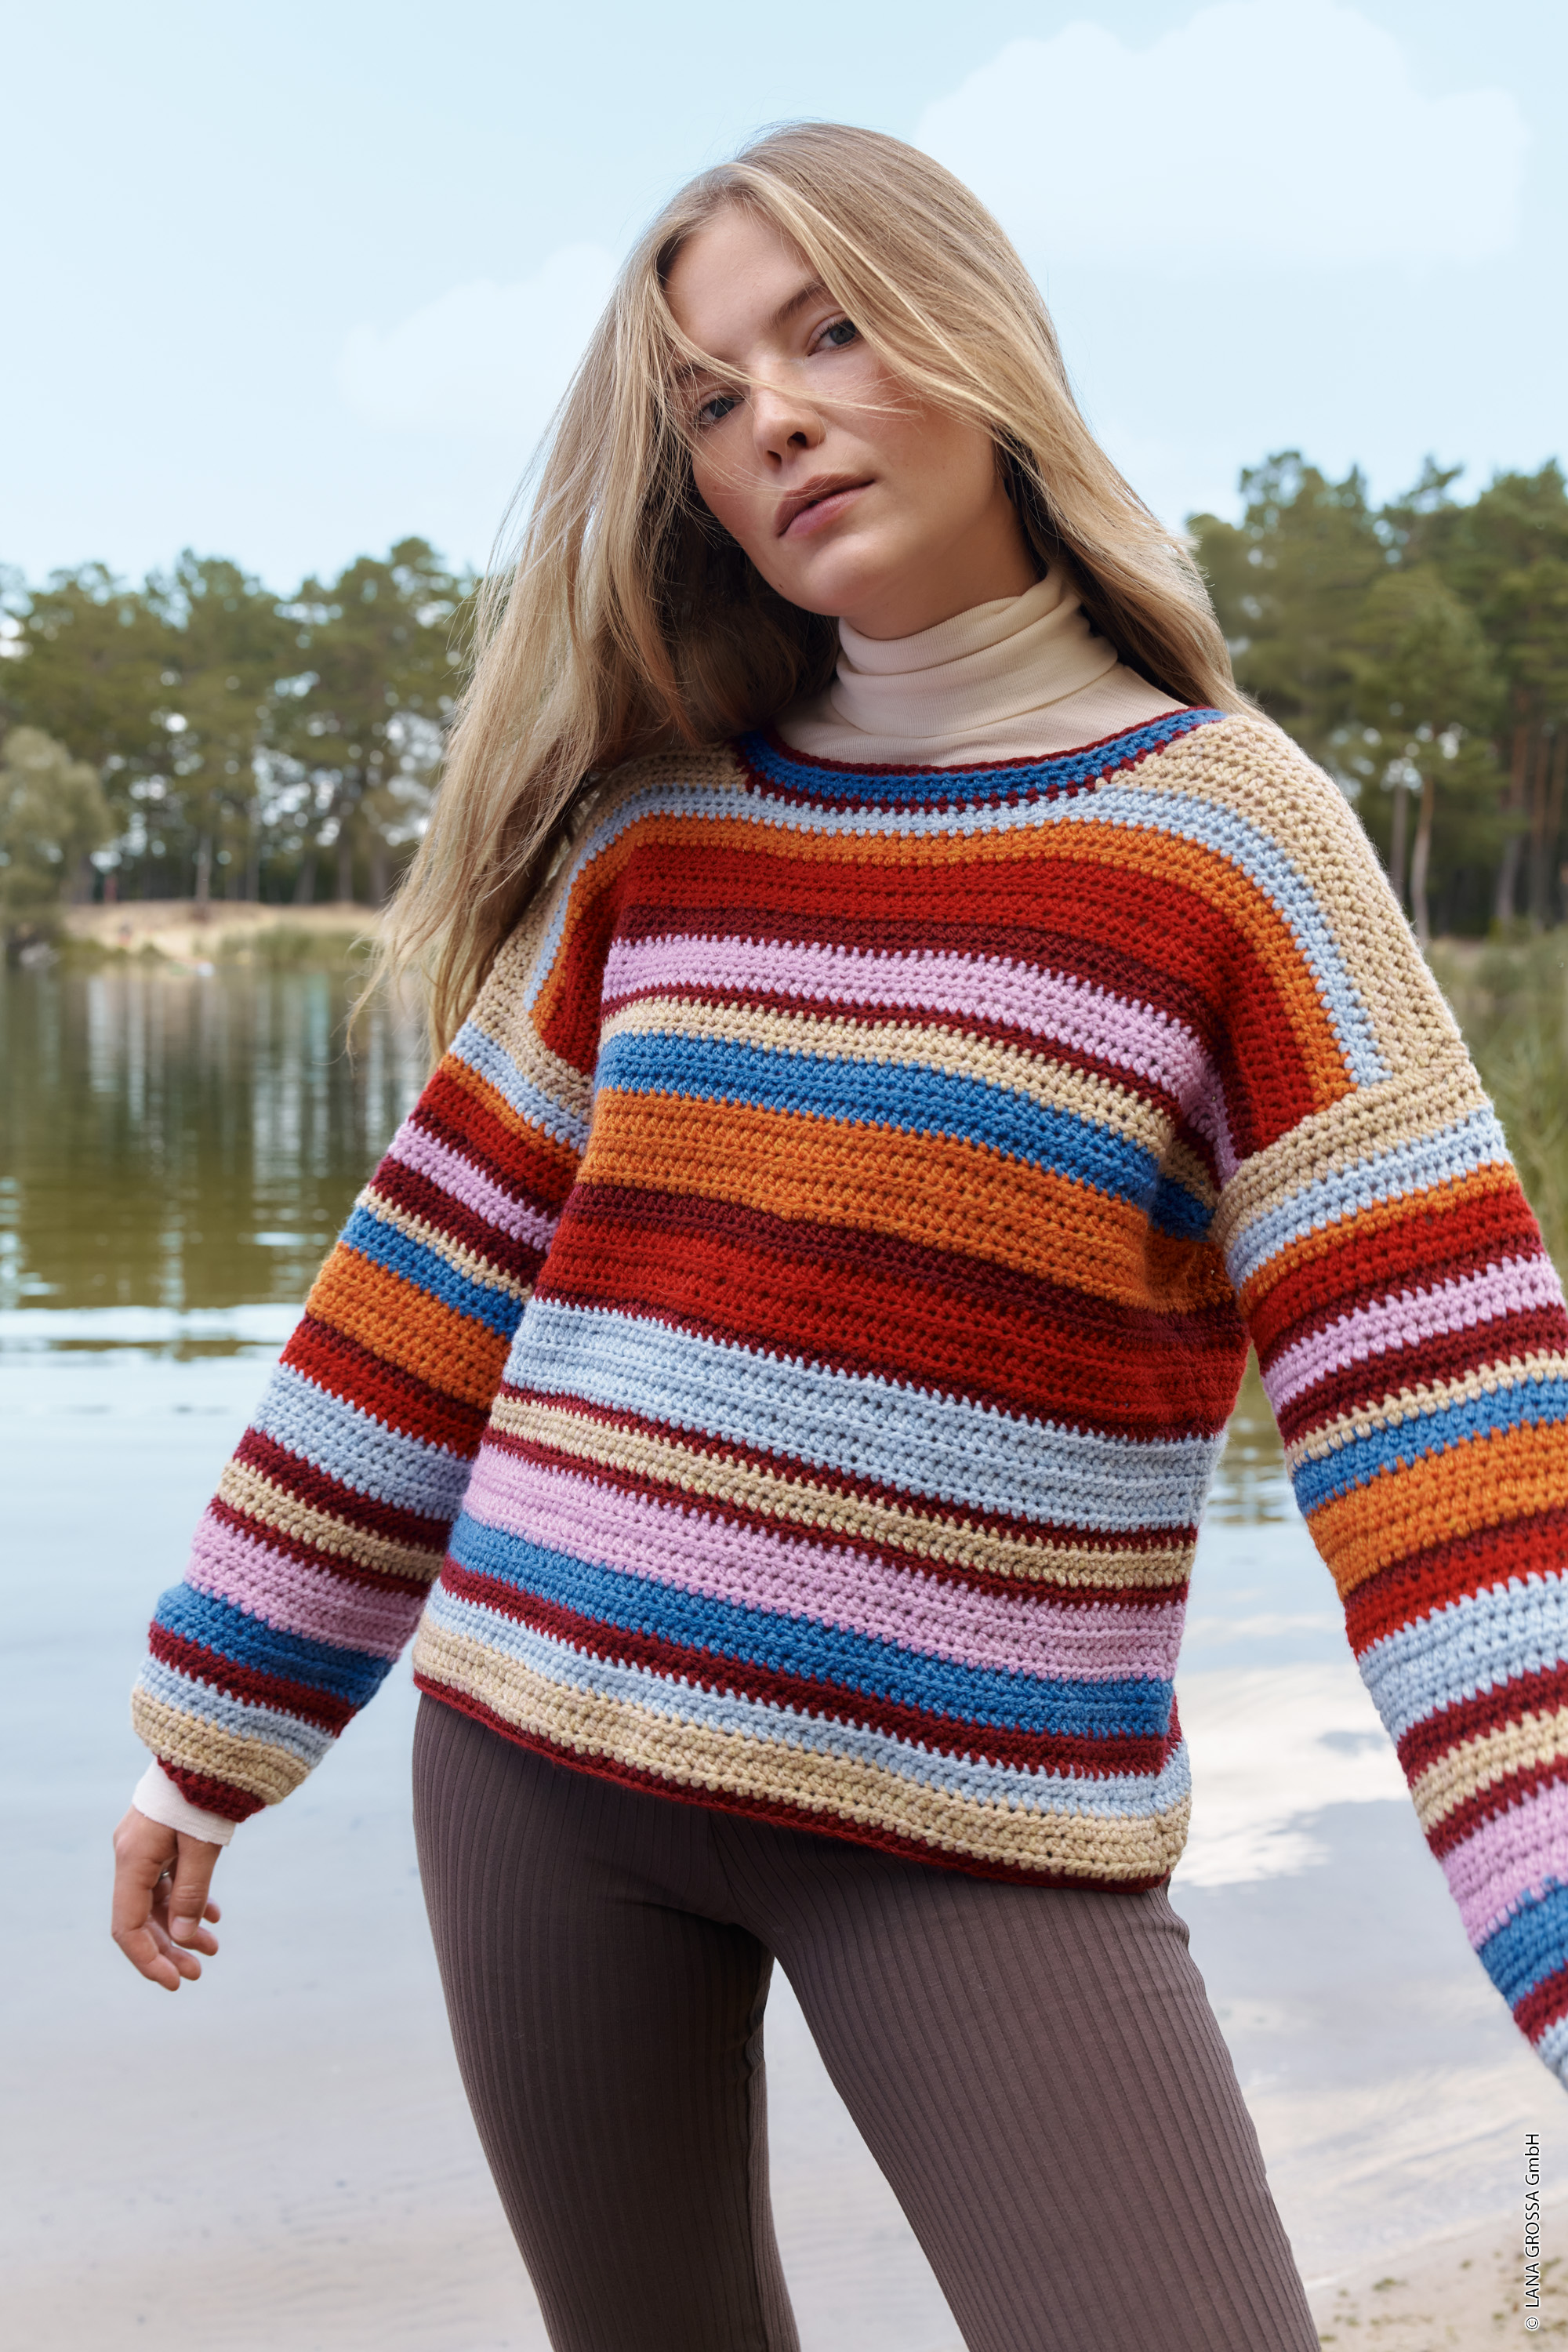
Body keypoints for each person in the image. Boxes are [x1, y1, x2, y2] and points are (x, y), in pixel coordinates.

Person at [111, 122, 1568, 2352]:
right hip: (536, 1770)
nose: (772, 417)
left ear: (983, 342)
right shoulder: (656, 831)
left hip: (978, 1820)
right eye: (710, 398)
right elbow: (420, 1300)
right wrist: (209, 1727)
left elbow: (1449, 1437)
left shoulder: (1232, 842)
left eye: (832, 331)